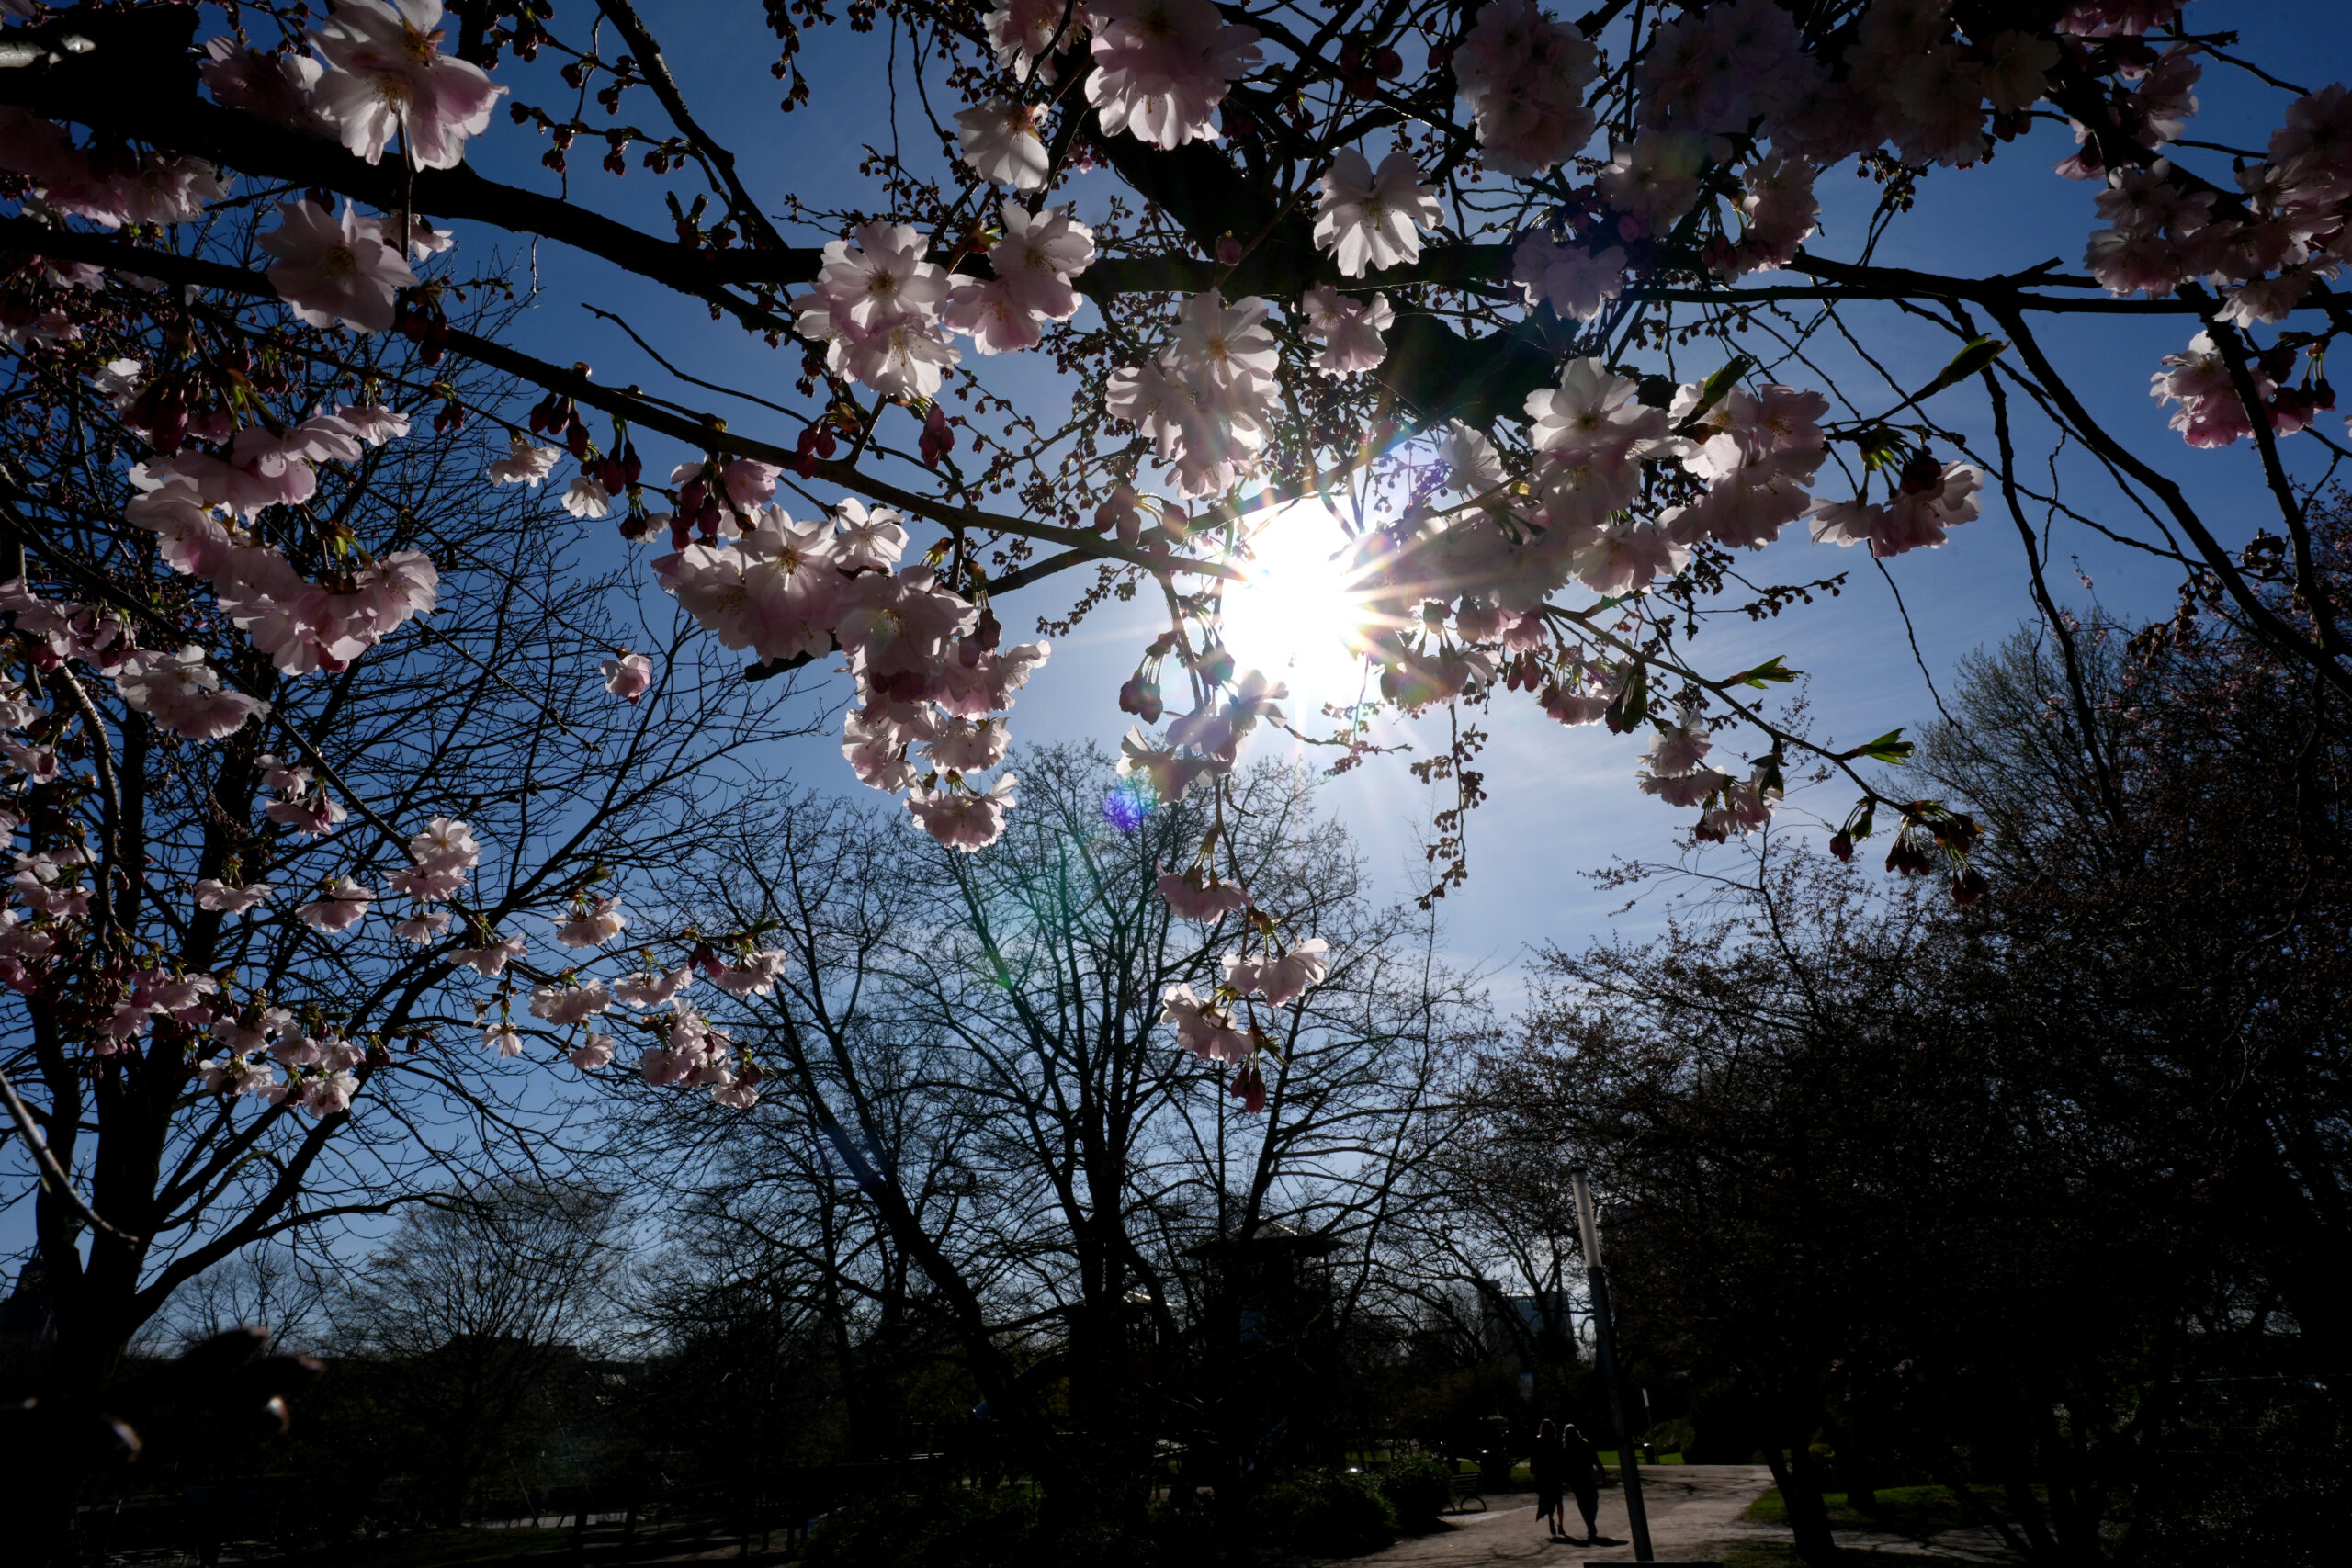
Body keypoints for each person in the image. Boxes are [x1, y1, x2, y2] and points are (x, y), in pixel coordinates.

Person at [1564, 1421, 1605, 1544]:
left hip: (1575, 1478)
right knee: (1593, 1499)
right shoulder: (1585, 1444)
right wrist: (1602, 1472)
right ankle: (1591, 1520)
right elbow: (1595, 1459)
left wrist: (1565, 1480)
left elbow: (1564, 1466)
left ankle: (1589, 1523)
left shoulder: (1566, 1448)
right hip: (1587, 1476)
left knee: (1582, 1502)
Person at [1531, 1418, 1566, 1539]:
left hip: (1543, 1475)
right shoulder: (1556, 1442)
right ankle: (1560, 1524)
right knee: (1559, 1500)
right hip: (1555, 1474)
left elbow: (1534, 1459)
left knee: (1547, 1499)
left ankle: (1551, 1518)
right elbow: (1561, 1459)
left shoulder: (1538, 1441)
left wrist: (1534, 1471)